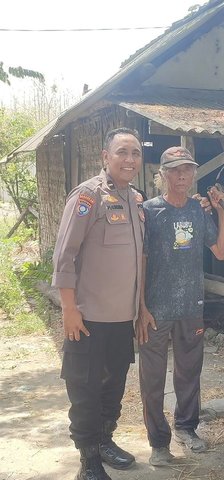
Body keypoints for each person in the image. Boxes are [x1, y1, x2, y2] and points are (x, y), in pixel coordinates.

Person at [52, 127, 144, 480]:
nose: (130, 159)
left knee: (114, 387)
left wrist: (140, 309)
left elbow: (138, 260)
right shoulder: (88, 196)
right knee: (85, 389)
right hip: (88, 318)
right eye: (122, 152)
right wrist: (69, 309)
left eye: (135, 153)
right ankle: (88, 459)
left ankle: (105, 441)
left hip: (122, 319)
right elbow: (64, 257)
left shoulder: (135, 200)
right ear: (105, 157)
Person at [135, 146, 224, 467]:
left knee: (189, 373)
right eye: (174, 170)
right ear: (162, 175)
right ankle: (158, 442)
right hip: (156, 310)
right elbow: (140, 261)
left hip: (191, 306)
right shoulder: (148, 212)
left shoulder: (198, 211)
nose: (181, 176)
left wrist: (221, 212)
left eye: (187, 170)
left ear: (193, 174)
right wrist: (141, 307)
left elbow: (220, 251)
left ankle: (186, 428)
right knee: (152, 378)